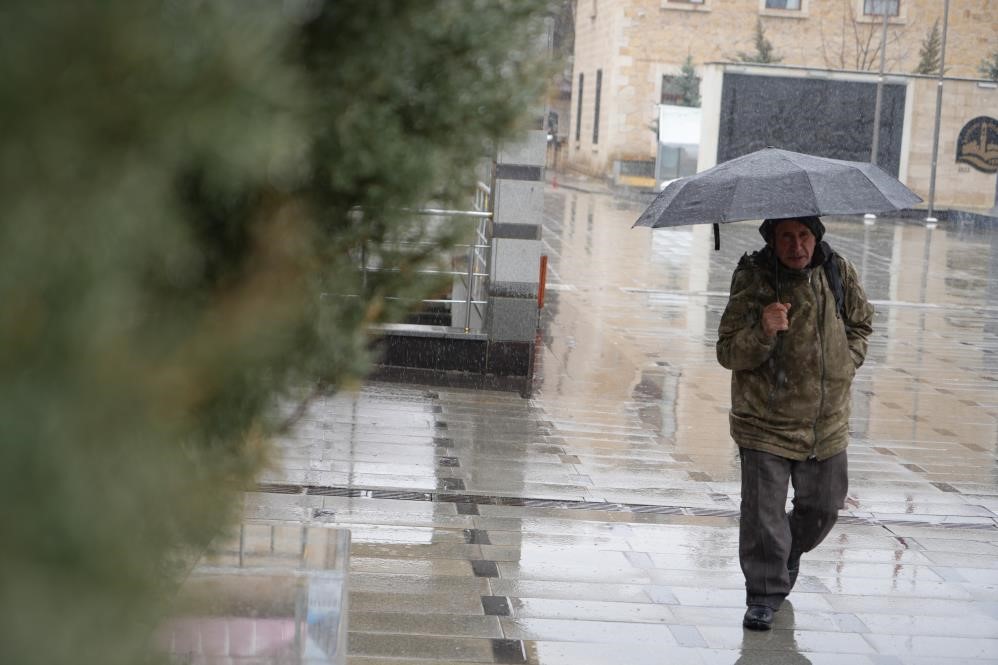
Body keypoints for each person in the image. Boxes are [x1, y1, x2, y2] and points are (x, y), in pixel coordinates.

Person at [716, 216, 874, 631]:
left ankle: (786, 551)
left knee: (823, 507)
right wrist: (763, 331)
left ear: (816, 236)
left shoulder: (838, 271)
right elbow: (728, 351)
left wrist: (846, 360)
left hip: (826, 422)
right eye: (786, 236)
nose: (796, 245)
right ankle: (764, 595)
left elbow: (861, 324)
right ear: (772, 239)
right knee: (763, 515)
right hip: (765, 423)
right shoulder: (754, 279)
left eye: (803, 235)